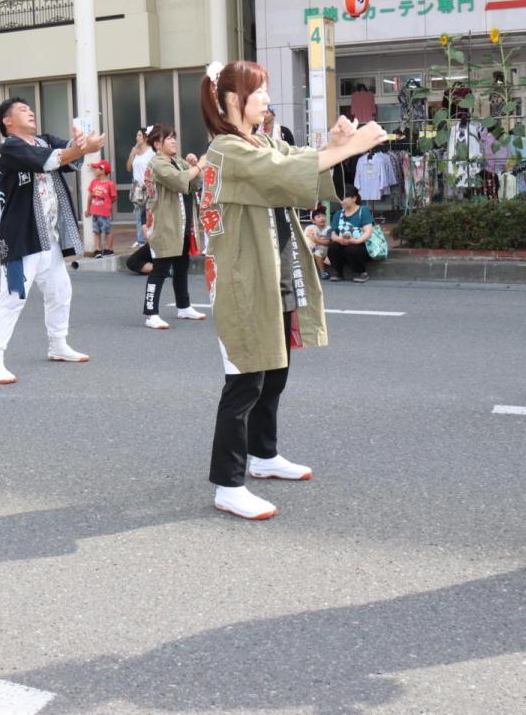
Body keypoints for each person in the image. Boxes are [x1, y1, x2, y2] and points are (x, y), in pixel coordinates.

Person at [198, 59, 387, 520]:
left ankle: (263, 457)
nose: (266, 99)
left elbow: (292, 168)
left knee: (273, 373)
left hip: (273, 270)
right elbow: (282, 174)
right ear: (229, 101)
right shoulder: (226, 149)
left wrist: (337, 144)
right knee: (245, 382)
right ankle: (228, 484)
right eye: (257, 91)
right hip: (245, 279)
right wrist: (354, 145)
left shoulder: (256, 141)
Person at [0, 97, 104, 384]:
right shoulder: (10, 148)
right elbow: (52, 161)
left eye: (31, 108)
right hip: (20, 236)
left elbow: (71, 161)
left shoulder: (44, 139)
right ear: (7, 121)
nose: (31, 112)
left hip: (47, 235)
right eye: (23, 110)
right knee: (12, 297)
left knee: (60, 291)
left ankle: (58, 344)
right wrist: (78, 148)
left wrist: (80, 145)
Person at [141, 124, 208, 329]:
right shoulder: (158, 163)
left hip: (182, 223)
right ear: (157, 144)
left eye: (174, 137)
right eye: (169, 138)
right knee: (160, 269)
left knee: (181, 266)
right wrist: (199, 165)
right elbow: (180, 181)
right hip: (165, 224)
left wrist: (193, 166)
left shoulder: (175, 161)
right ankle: (151, 313)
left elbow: (194, 184)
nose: (173, 141)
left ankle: (184, 306)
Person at [327, 189, 373, 282]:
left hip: (360, 246)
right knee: (333, 247)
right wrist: (339, 239)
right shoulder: (338, 213)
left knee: (352, 248)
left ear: (354, 198)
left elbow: (368, 232)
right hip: (343, 244)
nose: (341, 201)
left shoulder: (363, 210)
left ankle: (362, 272)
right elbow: (333, 234)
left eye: (344, 198)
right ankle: (339, 273)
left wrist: (356, 241)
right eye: (339, 198)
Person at [86, 158, 118, 257]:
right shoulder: (94, 182)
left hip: (105, 212)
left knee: (107, 230)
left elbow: (114, 197)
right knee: (96, 231)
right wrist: (88, 209)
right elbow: (90, 196)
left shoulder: (109, 184)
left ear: (103, 170)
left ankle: (109, 249)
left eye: (96, 169)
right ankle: (98, 250)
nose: (94, 171)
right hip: (95, 212)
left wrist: (106, 205)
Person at [128, 127, 154, 247]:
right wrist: (132, 153)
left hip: (147, 185)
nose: (137, 138)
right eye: (137, 135)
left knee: (148, 213)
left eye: (139, 135)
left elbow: (154, 169)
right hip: (137, 187)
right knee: (138, 214)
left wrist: (149, 182)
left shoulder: (151, 152)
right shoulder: (135, 151)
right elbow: (129, 168)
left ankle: (149, 239)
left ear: (145, 137)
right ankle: (141, 240)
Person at [303, 208, 331, 280]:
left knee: (318, 252)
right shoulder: (311, 227)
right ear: (313, 220)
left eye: (323, 216)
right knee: (307, 250)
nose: (322, 218)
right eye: (318, 217)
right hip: (312, 248)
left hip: (324, 250)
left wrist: (317, 241)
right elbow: (308, 239)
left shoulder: (329, 229)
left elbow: (327, 242)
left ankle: (322, 272)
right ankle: (305, 273)